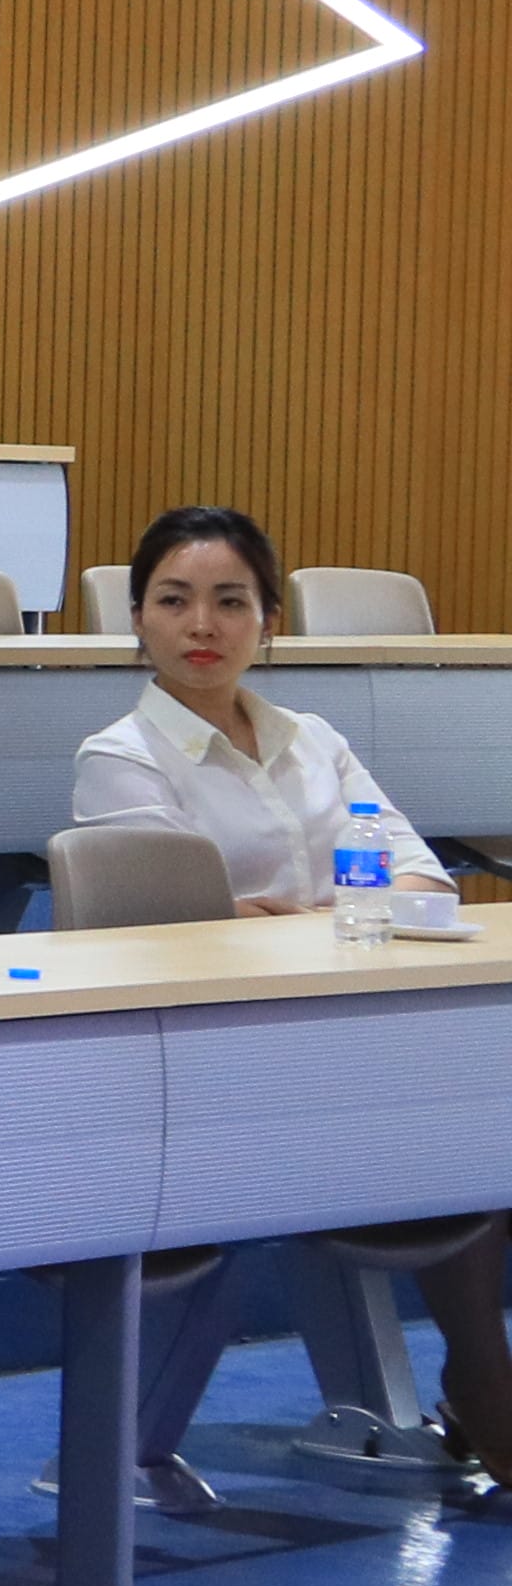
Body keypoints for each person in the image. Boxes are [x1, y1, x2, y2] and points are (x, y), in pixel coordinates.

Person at [82, 502, 507, 1467]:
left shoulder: (315, 738)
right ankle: (488, 1385)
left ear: (269, 620)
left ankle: (484, 1381)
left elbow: (423, 879)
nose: (202, 625)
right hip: (217, 1062)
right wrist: (334, 912)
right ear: (137, 619)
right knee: (459, 1114)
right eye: (174, 600)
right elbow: (177, 926)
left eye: (231, 601)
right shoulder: (119, 758)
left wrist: (284, 917)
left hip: (353, 1032)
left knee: (482, 1104)